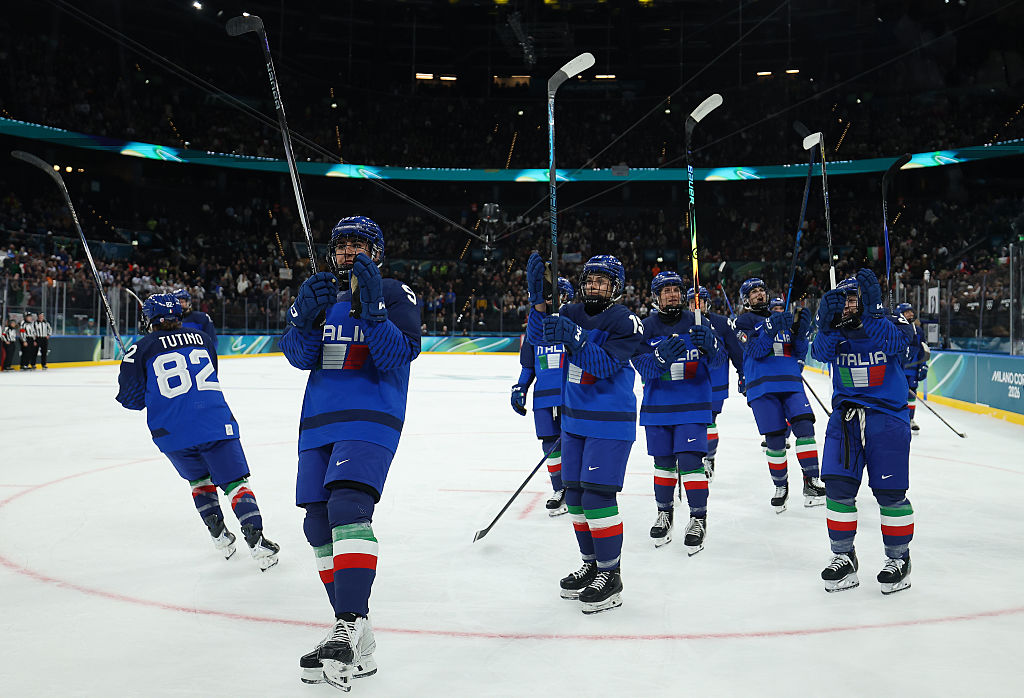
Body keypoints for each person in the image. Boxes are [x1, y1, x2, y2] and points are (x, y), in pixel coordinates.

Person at [279, 216, 420, 690]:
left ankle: (349, 623)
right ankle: (356, 635)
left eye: (360, 244)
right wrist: (301, 317)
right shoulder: (322, 295)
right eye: (342, 246)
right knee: (316, 523)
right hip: (318, 421)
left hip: (371, 417)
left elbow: (397, 357)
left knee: (347, 507)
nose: (349, 253)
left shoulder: (396, 293)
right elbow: (300, 358)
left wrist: (373, 308)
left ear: (377, 253)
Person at [115, 293, 279, 569]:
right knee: (235, 483)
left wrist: (133, 369)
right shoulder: (201, 338)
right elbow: (212, 371)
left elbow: (132, 401)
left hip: (170, 433)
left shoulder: (139, 349)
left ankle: (219, 536)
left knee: (199, 481)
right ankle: (257, 540)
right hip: (213, 422)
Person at [525, 252, 644, 614]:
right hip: (574, 422)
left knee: (596, 499)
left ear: (615, 288)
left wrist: (575, 338)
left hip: (610, 422)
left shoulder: (626, 320)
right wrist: (540, 305)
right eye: (590, 280)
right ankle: (592, 564)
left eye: (602, 281)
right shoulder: (570, 312)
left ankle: (611, 574)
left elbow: (604, 366)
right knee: (574, 499)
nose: (594, 286)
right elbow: (538, 337)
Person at [811, 270, 913, 594]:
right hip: (845, 420)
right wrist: (825, 325)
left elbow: (900, 345)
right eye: (843, 300)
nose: (848, 305)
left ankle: (899, 559)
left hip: (887, 419)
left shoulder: (891, 324)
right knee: (838, 488)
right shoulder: (837, 332)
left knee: (890, 494)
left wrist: (874, 313)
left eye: (853, 298)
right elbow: (818, 353)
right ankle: (843, 557)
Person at [633, 273, 723, 555]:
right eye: (666, 290)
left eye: (676, 289)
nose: (671, 294)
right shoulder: (644, 328)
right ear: (655, 296)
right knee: (663, 464)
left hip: (692, 406)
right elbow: (643, 369)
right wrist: (660, 358)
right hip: (658, 407)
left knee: (689, 461)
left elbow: (720, 362)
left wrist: (712, 345)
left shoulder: (700, 322)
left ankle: (698, 518)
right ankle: (664, 513)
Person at [733, 278, 825, 512]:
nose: (759, 294)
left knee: (805, 425)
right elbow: (755, 350)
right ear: (746, 299)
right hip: (762, 386)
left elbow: (798, 353)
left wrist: (801, 333)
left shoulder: (783, 318)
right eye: (753, 292)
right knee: (775, 439)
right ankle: (780, 486)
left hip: (790, 380)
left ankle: (811, 480)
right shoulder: (743, 321)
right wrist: (770, 328)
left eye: (762, 290)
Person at [511, 276, 575, 516]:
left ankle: (574, 488)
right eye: (550, 296)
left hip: (570, 395)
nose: (556, 301)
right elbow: (528, 366)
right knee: (549, 443)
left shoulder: (574, 324)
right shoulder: (535, 330)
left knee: (572, 442)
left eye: (560, 296)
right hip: (544, 398)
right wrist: (520, 387)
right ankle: (559, 489)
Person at [687, 286, 743, 482]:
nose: (695, 306)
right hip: (690, 384)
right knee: (690, 424)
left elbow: (736, 352)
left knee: (709, 421)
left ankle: (708, 458)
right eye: (692, 302)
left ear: (707, 303)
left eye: (699, 302)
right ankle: (693, 457)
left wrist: (743, 373)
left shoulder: (722, 323)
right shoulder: (682, 323)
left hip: (714, 384)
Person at [894, 303, 928, 433]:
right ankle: (899, 418)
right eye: (907, 312)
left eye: (911, 312)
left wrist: (923, 365)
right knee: (898, 393)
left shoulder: (918, 330)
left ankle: (910, 419)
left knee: (911, 393)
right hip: (899, 368)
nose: (911, 314)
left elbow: (922, 349)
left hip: (912, 369)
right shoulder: (894, 328)